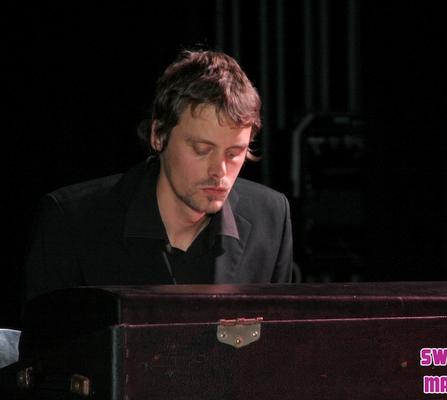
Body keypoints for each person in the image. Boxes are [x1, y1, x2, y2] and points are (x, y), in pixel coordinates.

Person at [24, 49, 293, 302]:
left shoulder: (270, 219)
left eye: (234, 153)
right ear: (158, 135)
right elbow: (50, 336)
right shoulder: (72, 222)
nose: (220, 171)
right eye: (202, 149)